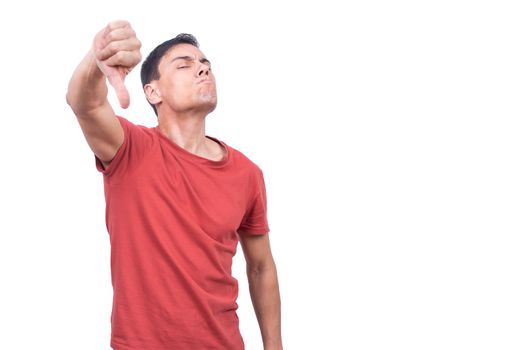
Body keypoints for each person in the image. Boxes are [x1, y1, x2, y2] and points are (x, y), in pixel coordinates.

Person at [66, 20, 282, 350]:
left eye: (205, 64)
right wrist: (96, 61)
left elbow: (261, 267)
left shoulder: (246, 172)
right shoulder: (130, 149)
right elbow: (85, 103)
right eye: (185, 65)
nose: (202, 70)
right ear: (153, 92)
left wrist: (274, 347)